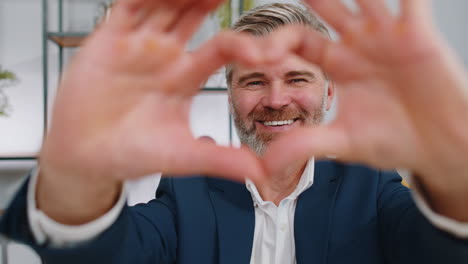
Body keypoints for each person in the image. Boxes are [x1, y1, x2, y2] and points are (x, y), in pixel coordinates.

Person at [1, 0, 468, 263]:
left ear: (329, 94)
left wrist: (453, 160)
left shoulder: (372, 188)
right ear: (230, 96)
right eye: (253, 81)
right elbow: (104, 257)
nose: (276, 99)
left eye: (298, 79)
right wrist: (80, 168)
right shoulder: (188, 193)